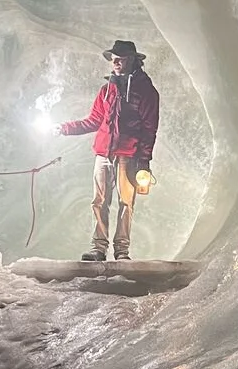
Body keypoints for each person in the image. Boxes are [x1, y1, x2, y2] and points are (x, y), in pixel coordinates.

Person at [54, 40, 159, 261]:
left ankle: (122, 251)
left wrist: (144, 161)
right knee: (99, 201)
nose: (115, 62)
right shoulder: (106, 90)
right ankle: (98, 249)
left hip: (128, 156)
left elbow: (149, 129)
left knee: (126, 203)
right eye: (113, 59)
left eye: (120, 58)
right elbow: (94, 121)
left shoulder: (146, 91)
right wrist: (64, 128)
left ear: (132, 60)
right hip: (103, 154)